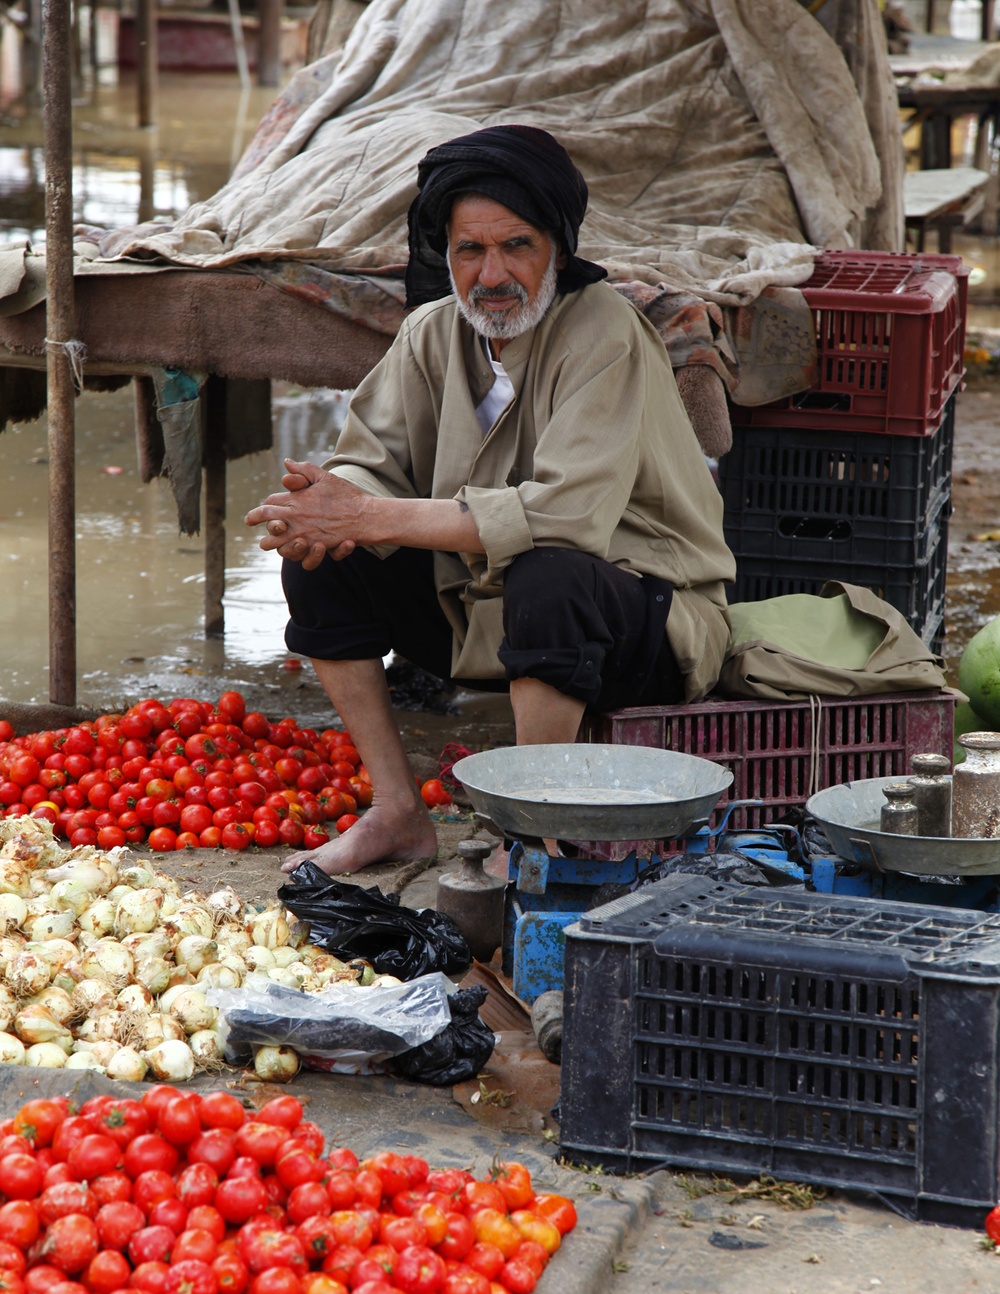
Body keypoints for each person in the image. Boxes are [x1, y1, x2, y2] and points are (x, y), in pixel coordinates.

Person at [245, 125, 736, 876]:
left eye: (516, 246)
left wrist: (369, 514)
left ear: (558, 251)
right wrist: (323, 505)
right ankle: (398, 813)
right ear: (447, 255)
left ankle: (533, 834)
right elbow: (370, 465)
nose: (492, 274)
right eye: (469, 251)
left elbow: (566, 520)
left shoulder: (605, 330)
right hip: (480, 606)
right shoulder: (431, 333)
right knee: (323, 558)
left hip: (643, 621)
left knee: (550, 570)